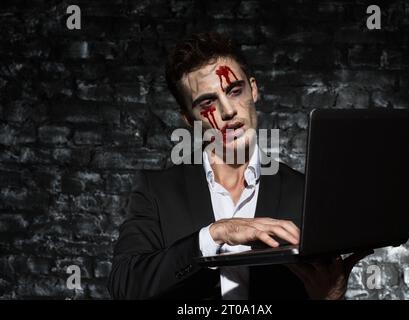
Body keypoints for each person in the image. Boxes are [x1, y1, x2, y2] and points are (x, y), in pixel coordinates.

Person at [108, 32, 371, 300]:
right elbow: (125, 286)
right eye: (207, 102)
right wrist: (216, 234)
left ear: (254, 89)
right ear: (188, 118)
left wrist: (328, 298)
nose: (228, 111)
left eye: (234, 91)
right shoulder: (156, 191)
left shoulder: (306, 192)